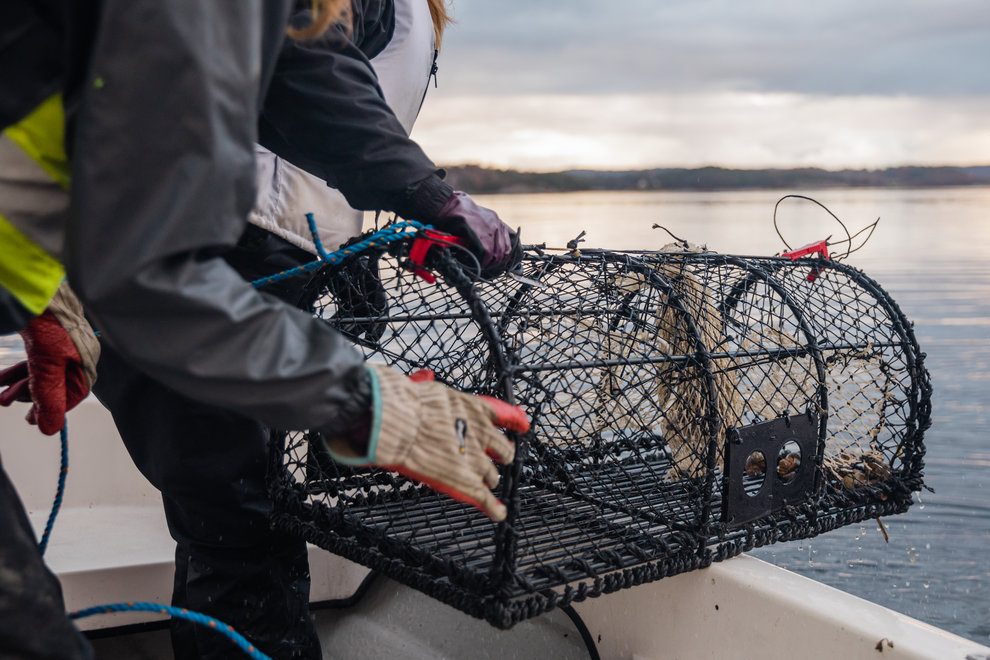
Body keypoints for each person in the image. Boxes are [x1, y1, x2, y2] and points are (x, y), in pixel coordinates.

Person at [0, 1, 525, 658]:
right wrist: (367, 405)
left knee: (230, 520)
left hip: (213, 268)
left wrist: (51, 307)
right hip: (219, 260)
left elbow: (298, 76)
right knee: (235, 526)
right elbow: (139, 260)